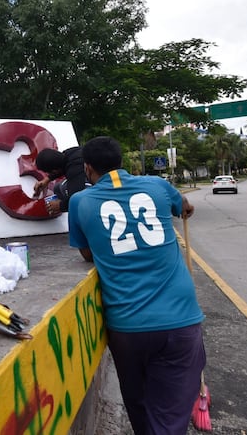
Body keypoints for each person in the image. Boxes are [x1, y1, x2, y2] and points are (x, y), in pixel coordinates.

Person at [67, 136, 205, 435]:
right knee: (169, 415)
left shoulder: (80, 201)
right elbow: (184, 206)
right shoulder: (157, 186)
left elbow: (87, 252)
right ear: (122, 162)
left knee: (139, 404)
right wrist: (184, 206)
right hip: (179, 319)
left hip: (127, 326)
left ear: (88, 168)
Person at [32, 146, 88, 215]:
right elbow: (64, 167)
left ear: (54, 171)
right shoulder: (69, 153)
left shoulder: (74, 171)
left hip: (96, 181)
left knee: (64, 189)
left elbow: (76, 200)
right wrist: (47, 180)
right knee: (58, 188)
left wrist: (60, 206)